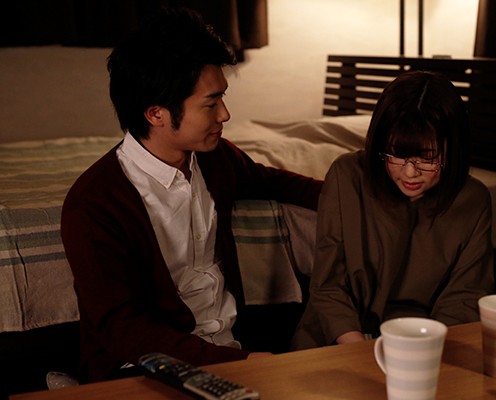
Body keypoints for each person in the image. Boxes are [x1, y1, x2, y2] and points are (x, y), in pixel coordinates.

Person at [61, 7, 322, 383]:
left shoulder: (214, 159)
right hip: (141, 370)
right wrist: (240, 362)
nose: (225, 114)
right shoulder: (94, 204)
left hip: (231, 349)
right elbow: (123, 331)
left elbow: (277, 182)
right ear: (156, 114)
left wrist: (361, 194)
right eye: (211, 103)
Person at [291, 71, 494, 349]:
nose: (410, 172)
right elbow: (328, 284)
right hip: (338, 337)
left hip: (424, 342)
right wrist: (358, 348)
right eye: (396, 154)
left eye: (427, 158)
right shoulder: (347, 175)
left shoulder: (473, 199)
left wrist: (423, 351)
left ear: (453, 148)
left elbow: (464, 298)